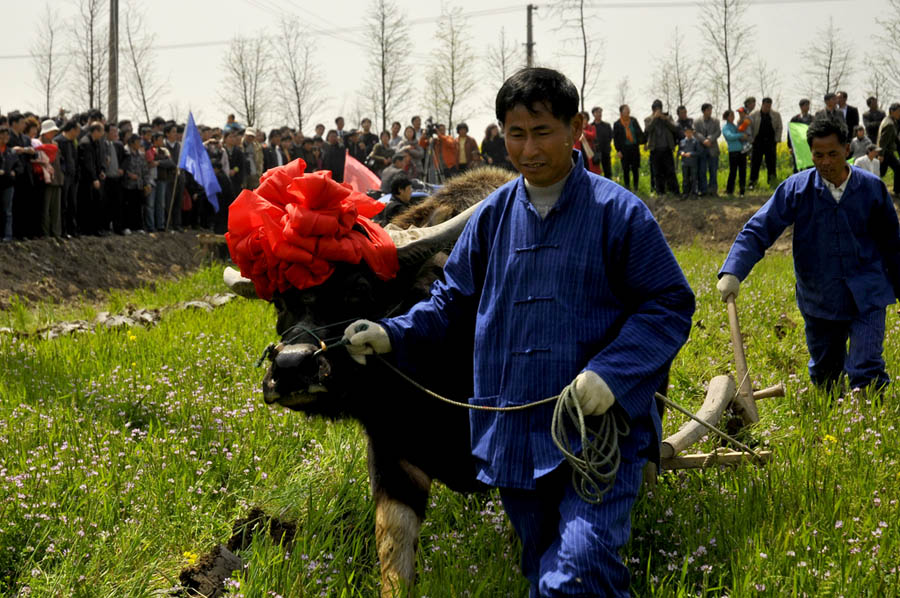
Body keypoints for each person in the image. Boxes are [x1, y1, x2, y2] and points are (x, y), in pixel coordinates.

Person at [342, 67, 695, 597]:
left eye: (542, 131)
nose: (528, 149)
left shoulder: (619, 213)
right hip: (514, 436)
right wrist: (392, 333)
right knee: (542, 569)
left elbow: (669, 304)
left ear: (576, 129)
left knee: (578, 572)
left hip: (597, 434)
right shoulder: (491, 219)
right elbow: (448, 303)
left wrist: (610, 373)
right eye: (516, 133)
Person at [718, 116, 899, 393]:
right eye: (818, 155)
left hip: (868, 292)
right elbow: (759, 230)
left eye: (832, 154)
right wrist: (733, 270)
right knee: (826, 378)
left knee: (866, 368)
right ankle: (831, 401)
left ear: (847, 151)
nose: (825, 162)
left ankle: (866, 414)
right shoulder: (797, 189)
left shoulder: (871, 189)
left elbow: (892, 242)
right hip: (820, 296)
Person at [644, 99, 680, 194]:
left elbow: (675, 128)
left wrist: (666, 120)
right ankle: (660, 192)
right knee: (657, 173)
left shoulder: (668, 117)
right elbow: (648, 129)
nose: (658, 110)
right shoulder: (648, 119)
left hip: (667, 149)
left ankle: (674, 191)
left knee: (670, 171)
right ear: (653, 109)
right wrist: (655, 118)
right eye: (656, 108)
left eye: (659, 108)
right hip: (655, 150)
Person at [748, 97, 782, 189]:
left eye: (769, 106)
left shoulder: (776, 115)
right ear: (762, 104)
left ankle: (772, 182)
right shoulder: (753, 114)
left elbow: (779, 127)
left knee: (771, 163)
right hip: (757, 142)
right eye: (766, 106)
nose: (768, 108)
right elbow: (748, 128)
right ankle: (752, 182)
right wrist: (751, 140)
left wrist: (777, 139)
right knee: (755, 163)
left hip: (771, 142)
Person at [612, 104, 643, 191]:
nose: (628, 111)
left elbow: (639, 132)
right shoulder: (617, 124)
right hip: (624, 149)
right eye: (626, 109)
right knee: (626, 169)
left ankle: (636, 187)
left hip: (634, 148)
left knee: (635, 168)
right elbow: (616, 139)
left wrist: (644, 142)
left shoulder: (633, 121)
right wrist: (618, 150)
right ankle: (627, 187)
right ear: (621, 112)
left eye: (628, 109)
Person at [694, 103, 721, 196]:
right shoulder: (697, 121)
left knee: (713, 170)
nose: (710, 112)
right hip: (702, 149)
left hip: (713, 148)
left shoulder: (716, 121)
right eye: (708, 110)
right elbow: (695, 132)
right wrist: (704, 140)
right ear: (704, 111)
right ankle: (704, 190)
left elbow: (718, 132)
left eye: (711, 110)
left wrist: (710, 139)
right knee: (702, 170)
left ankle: (713, 190)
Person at [722, 109, 748, 197]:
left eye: (733, 115)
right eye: (730, 115)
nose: (732, 117)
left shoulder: (734, 126)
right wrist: (741, 135)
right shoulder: (726, 127)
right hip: (733, 152)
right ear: (726, 117)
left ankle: (742, 190)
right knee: (733, 171)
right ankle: (730, 190)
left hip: (741, 151)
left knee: (742, 171)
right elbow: (730, 136)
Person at [877, 103, 900, 197]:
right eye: (899, 111)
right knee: (898, 169)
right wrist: (881, 154)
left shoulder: (890, 121)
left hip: (886, 152)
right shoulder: (889, 124)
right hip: (886, 152)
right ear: (892, 111)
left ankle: (896, 191)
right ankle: (897, 191)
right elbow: (882, 141)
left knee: (881, 172)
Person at [788, 99, 814, 173]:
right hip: (798, 146)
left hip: (808, 145)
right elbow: (790, 133)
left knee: (811, 164)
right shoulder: (795, 119)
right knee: (797, 164)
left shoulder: (812, 118)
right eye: (806, 105)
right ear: (801, 107)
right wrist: (790, 146)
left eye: (808, 105)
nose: (808, 107)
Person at [0, 126, 16, 241]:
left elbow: (19, 165)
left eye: (7, 135)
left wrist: (15, 171)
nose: (5, 137)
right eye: (2, 134)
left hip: (8, 183)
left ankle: (7, 235)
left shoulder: (11, 151)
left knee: (7, 210)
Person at [590, 106, 613, 179]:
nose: (599, 114)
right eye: (597, 112)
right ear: (593, 114)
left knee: (608, 171)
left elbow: (610, 136)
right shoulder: (590, 126)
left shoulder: (607, 125)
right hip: (595, 153)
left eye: (600, 112)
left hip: (606, 151)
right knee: (595, 172)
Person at [678, 124, 701, 198]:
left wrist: (690, 154)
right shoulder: (682, 141)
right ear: (685, 133)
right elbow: (679, 150)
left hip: (693, 163)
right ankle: (685, 193)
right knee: (685, 179)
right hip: (684, 163)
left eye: (690, 132)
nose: (688, 134)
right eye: (687, 132)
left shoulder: (695, 141)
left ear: (692, 132)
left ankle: (694, 193)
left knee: (694, 178)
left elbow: (699, 152)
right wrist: (681, 152)